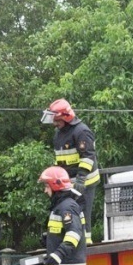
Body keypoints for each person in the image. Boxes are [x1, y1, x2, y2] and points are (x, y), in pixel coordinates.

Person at [41, 98, 99, 244]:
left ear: (66, 117)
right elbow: (61, 160)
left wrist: (81, 179)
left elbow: (88, 157)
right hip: (68, 181)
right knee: (67, 210)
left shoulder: (81, 131)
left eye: (56, 120)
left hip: (85, 180)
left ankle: (86, 242)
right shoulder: (59, 134)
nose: (54, 123)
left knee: (83, 211)